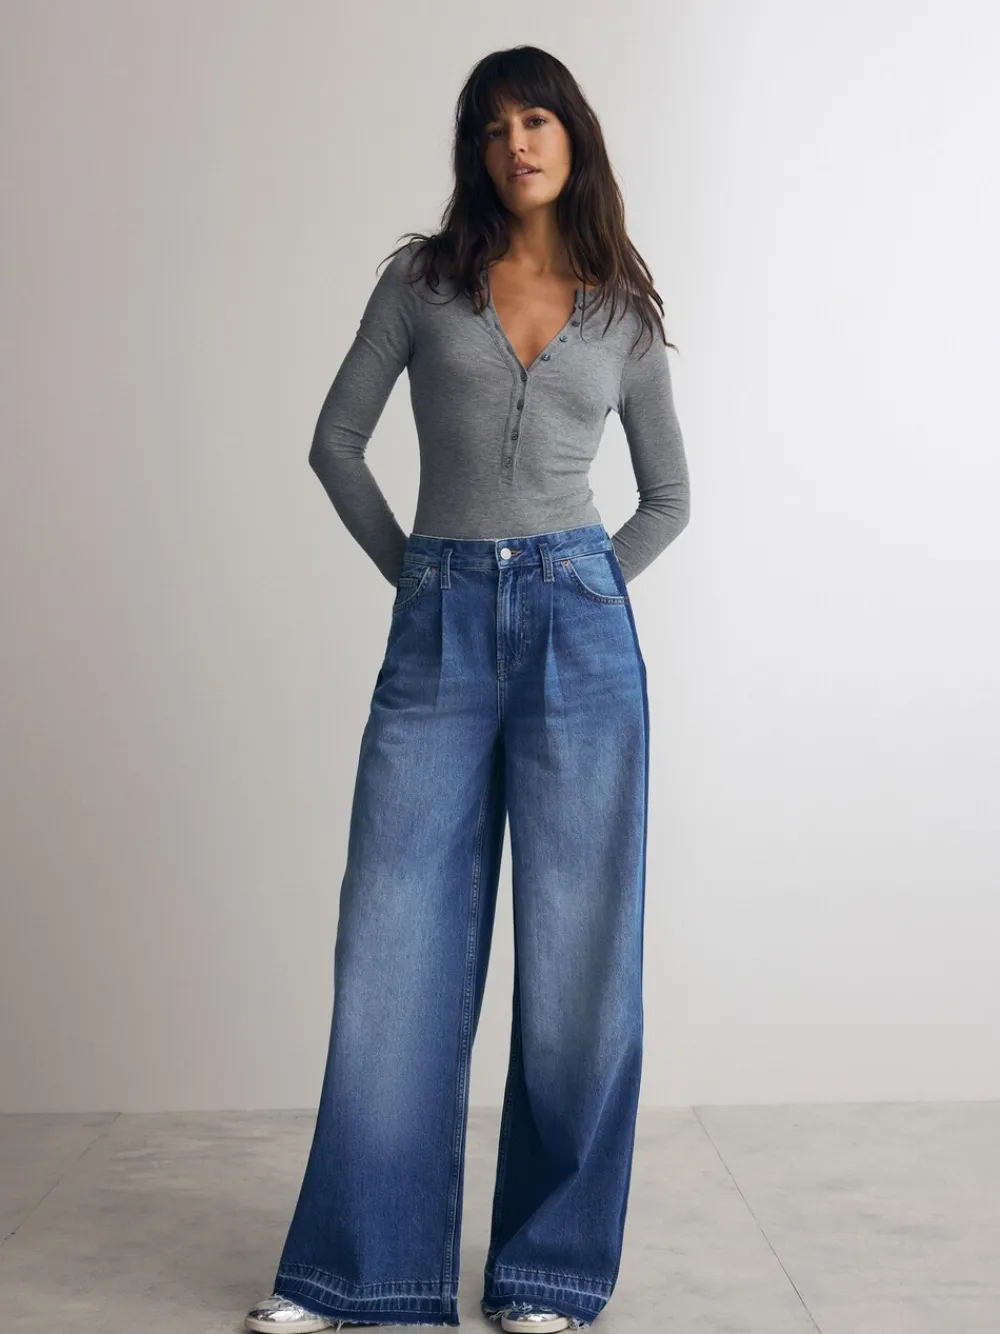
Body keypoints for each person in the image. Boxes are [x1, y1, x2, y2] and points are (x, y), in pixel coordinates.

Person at [245, 43, 690, 1334]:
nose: (517, 143)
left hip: (581, 645)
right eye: (494, 127)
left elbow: (669, 496)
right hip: (439, 624)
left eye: (536, 118)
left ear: (573, 136)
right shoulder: (422, 283)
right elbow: (335, 443)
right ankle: (357, 1271)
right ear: (474, 151)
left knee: (581, 960)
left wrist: (586, 587)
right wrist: (418, 576)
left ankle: (548, 1273)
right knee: (394, 941)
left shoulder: (621, 313)